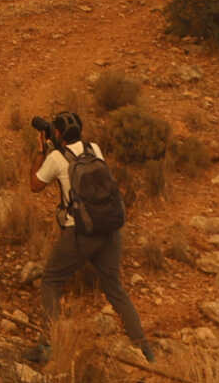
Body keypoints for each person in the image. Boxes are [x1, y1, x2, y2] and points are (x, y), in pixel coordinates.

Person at [28, 110, 154, 365]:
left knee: (51, 281)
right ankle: (144, 349)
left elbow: (34, 185)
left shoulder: (55, 157)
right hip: (108, 229)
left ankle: (49, 345)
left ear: (59, 134)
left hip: (80, 232)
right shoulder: (93, 148)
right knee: (115, 289)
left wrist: (41, 151)